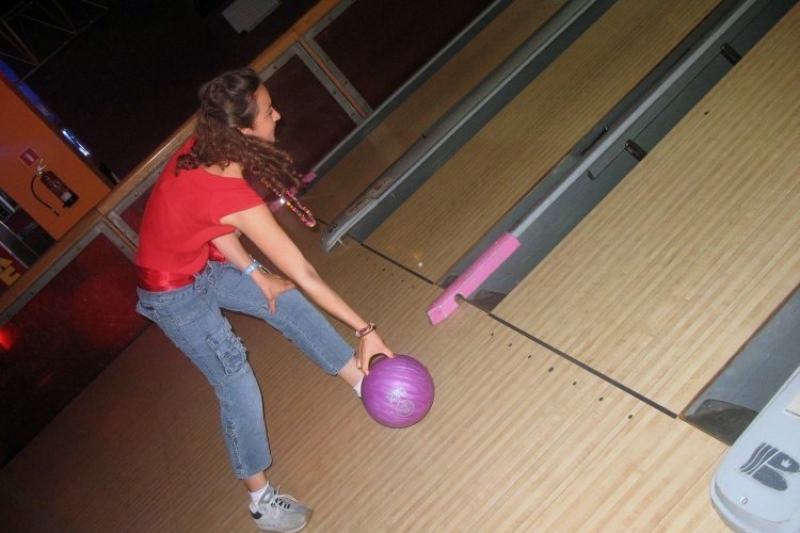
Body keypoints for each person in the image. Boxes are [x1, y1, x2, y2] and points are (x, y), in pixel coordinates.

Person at [134, 67, 393, 533]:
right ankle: (261, 502)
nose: (279, 115)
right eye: (270, 112)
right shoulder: (224, 184)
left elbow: (213, 225)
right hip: (171, 293)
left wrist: (257, 275)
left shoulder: (207, 149)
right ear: (242, 130)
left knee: (285, 299)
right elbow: (305, 271)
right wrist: (366, 330)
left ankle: (359, 381)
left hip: (200, 260)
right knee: (235, 377)